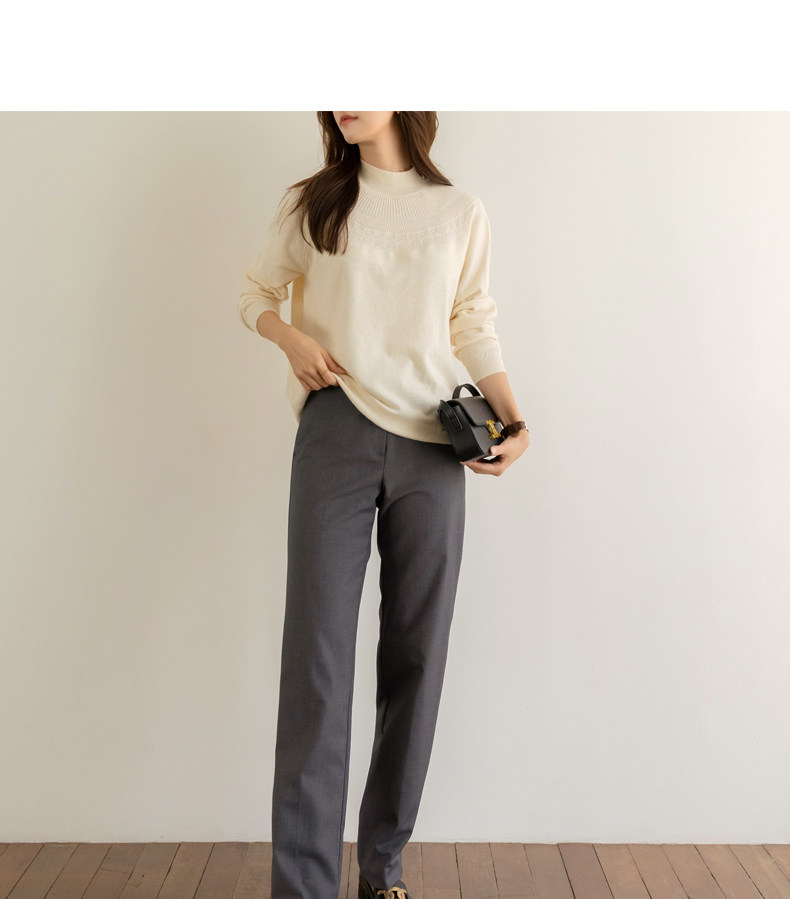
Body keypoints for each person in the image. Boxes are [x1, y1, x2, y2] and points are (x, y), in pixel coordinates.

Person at [237, 111, 529, 899]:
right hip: (336, 427)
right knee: (318, 662)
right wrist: (292, 340)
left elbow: (472, 320)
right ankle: (303, 888)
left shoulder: (458, 211)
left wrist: (516, 420)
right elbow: (255, 292)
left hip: (435, 444)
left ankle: (384, 870)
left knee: (417, 658)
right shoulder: (316, 201)